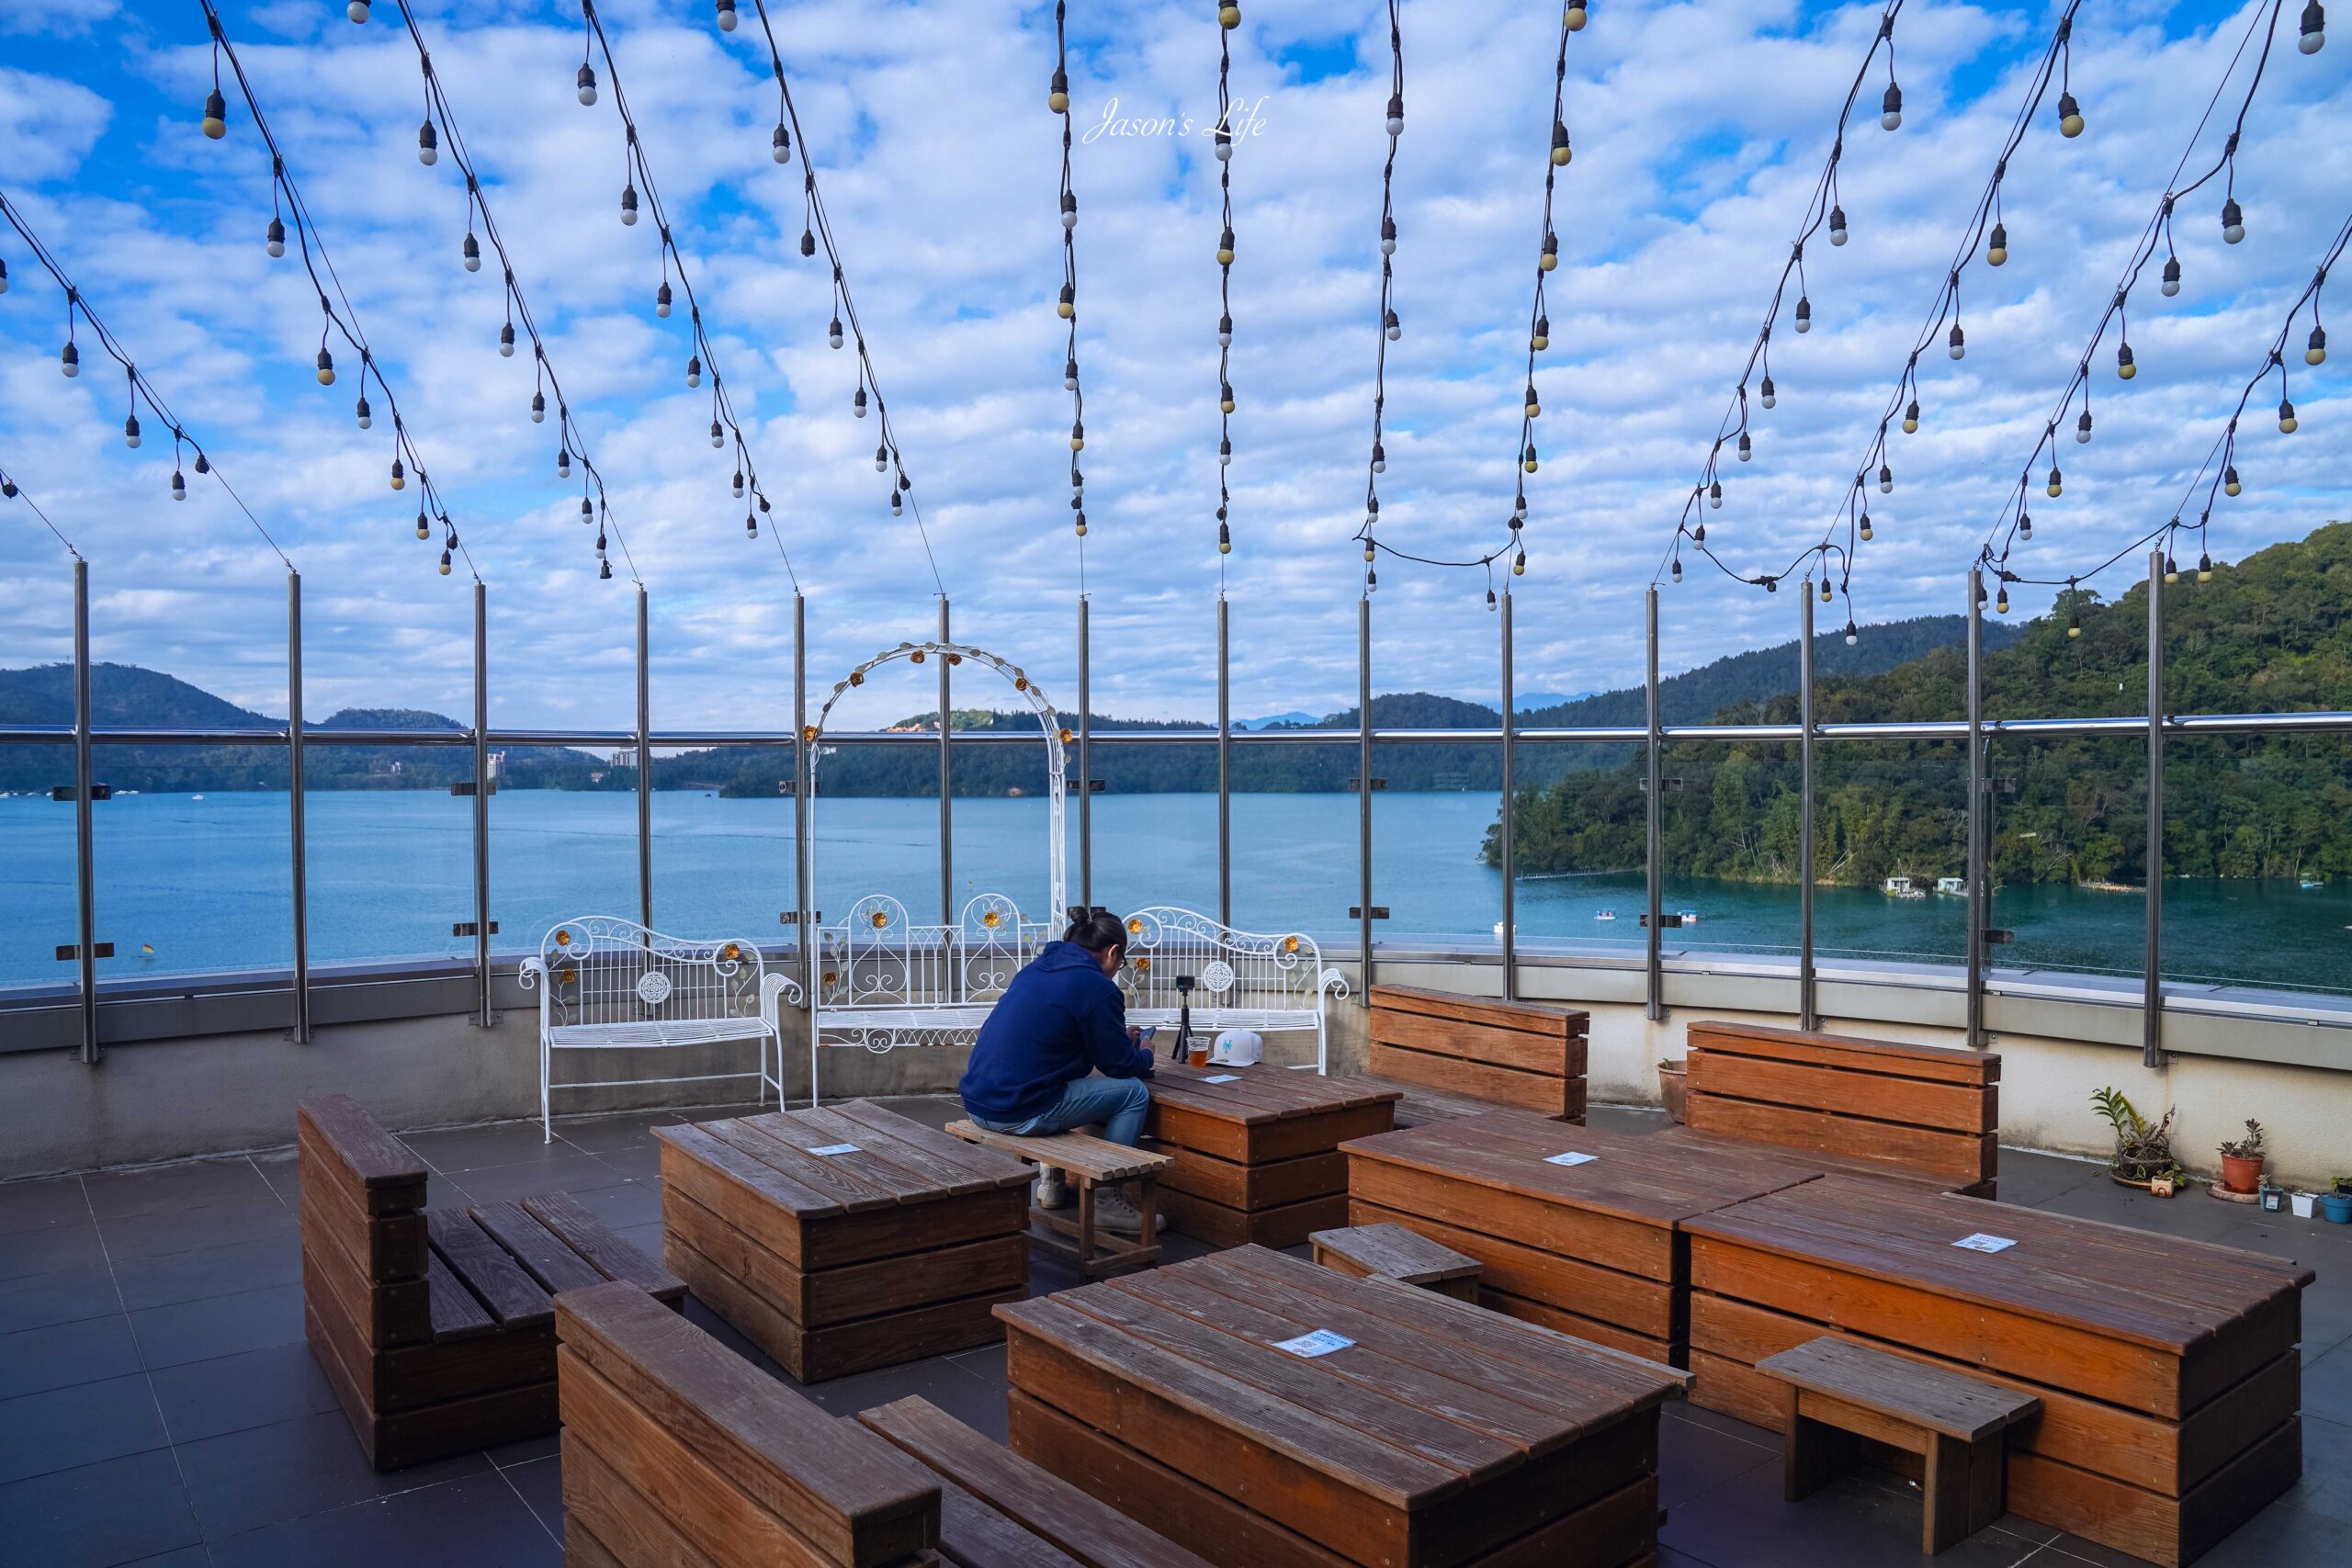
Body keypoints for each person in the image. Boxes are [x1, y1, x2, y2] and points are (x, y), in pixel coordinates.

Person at [959, 908, 1156, 1235]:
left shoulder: (1035, 970)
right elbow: (1119, 1066)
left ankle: (1051, 1184)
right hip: (1018, 1110)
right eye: (1120, 964)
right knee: (1134, 1093)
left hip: (979, 1102)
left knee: (1065, 1080)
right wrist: (1145, 1054)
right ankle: (1107, 1201)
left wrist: (1114, 1038)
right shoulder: (1098, 987)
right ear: (1113, 952)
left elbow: (1055, 1038)